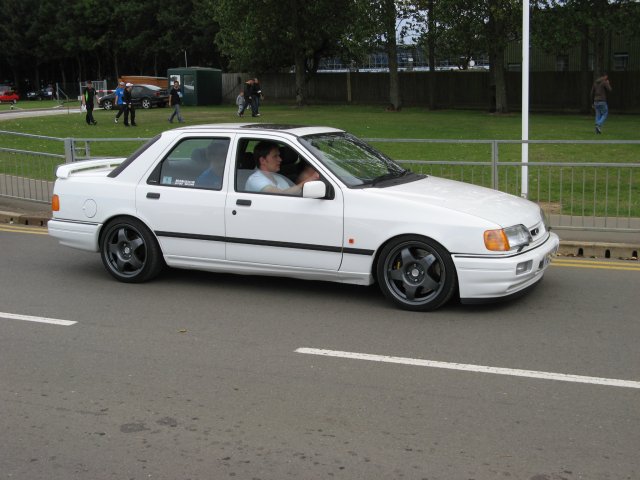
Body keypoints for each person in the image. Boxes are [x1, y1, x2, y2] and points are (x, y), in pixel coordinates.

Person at [245, 141, 319, 195]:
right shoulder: (255, 180)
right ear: (262, 160)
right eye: (275, 156)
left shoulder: (278, 178)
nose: (280, 159)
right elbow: (281, 195)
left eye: (279, 156)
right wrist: (311, 179)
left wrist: (305, 177)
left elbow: (294, 193)